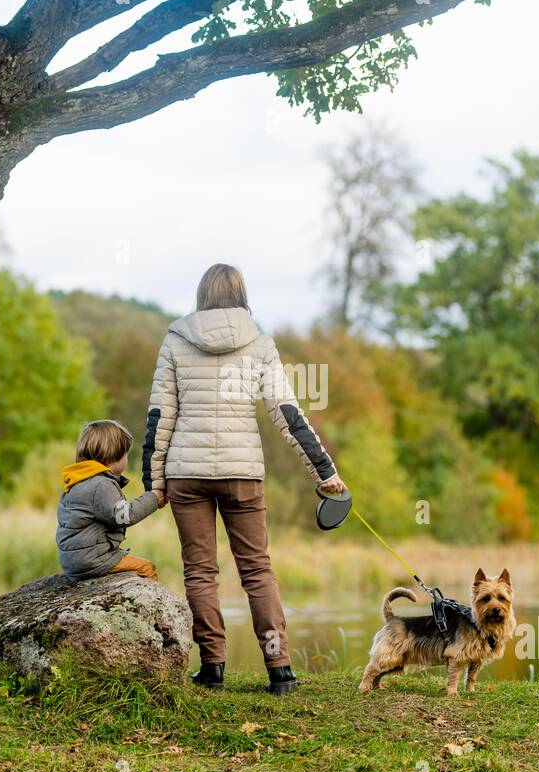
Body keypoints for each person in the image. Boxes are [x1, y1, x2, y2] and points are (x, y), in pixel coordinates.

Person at [142, 263, 346, 695]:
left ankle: (212, 667)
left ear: (202, 296)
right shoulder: (259, 343)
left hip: (186, 473)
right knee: (257, 571)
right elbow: (288, 415)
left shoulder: (176, 341)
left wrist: (153, 481)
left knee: (199, 571)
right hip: (242, 474)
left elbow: (160, 416)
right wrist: (324, 471)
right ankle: (280, 668)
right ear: (241, 295)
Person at [57, 419, 165, 582]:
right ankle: (155, 606)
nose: (126, 460)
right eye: (125, 455)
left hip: (73, 562)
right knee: (147, 568)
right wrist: (153, 498)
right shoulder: (101, 484)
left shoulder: (77, 481)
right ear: (113, 455)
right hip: (93, 560)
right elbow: (124, 516)